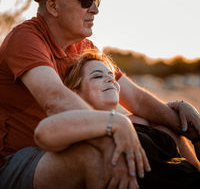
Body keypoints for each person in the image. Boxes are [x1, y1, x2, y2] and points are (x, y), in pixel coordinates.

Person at [0, 0, 200, 189]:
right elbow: (55, 100)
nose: (95, 9)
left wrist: (186, 125)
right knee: (99, 156)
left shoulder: (83, 46)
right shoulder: (26, 38)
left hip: (67, 142)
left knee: (164, 131)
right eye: (86, 0)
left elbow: (136, 99)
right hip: (22, 157)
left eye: (97, 0)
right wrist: (110, 131)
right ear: (53, 7)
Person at [35, 49, 200, 189]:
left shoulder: (137, 121)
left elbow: (162, 118)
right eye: (97, 76)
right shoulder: (79, 130)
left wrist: (179, 105)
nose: (110, 80)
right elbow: (44, 132)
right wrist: (115, 122)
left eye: (112, 76)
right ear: (75, 93)